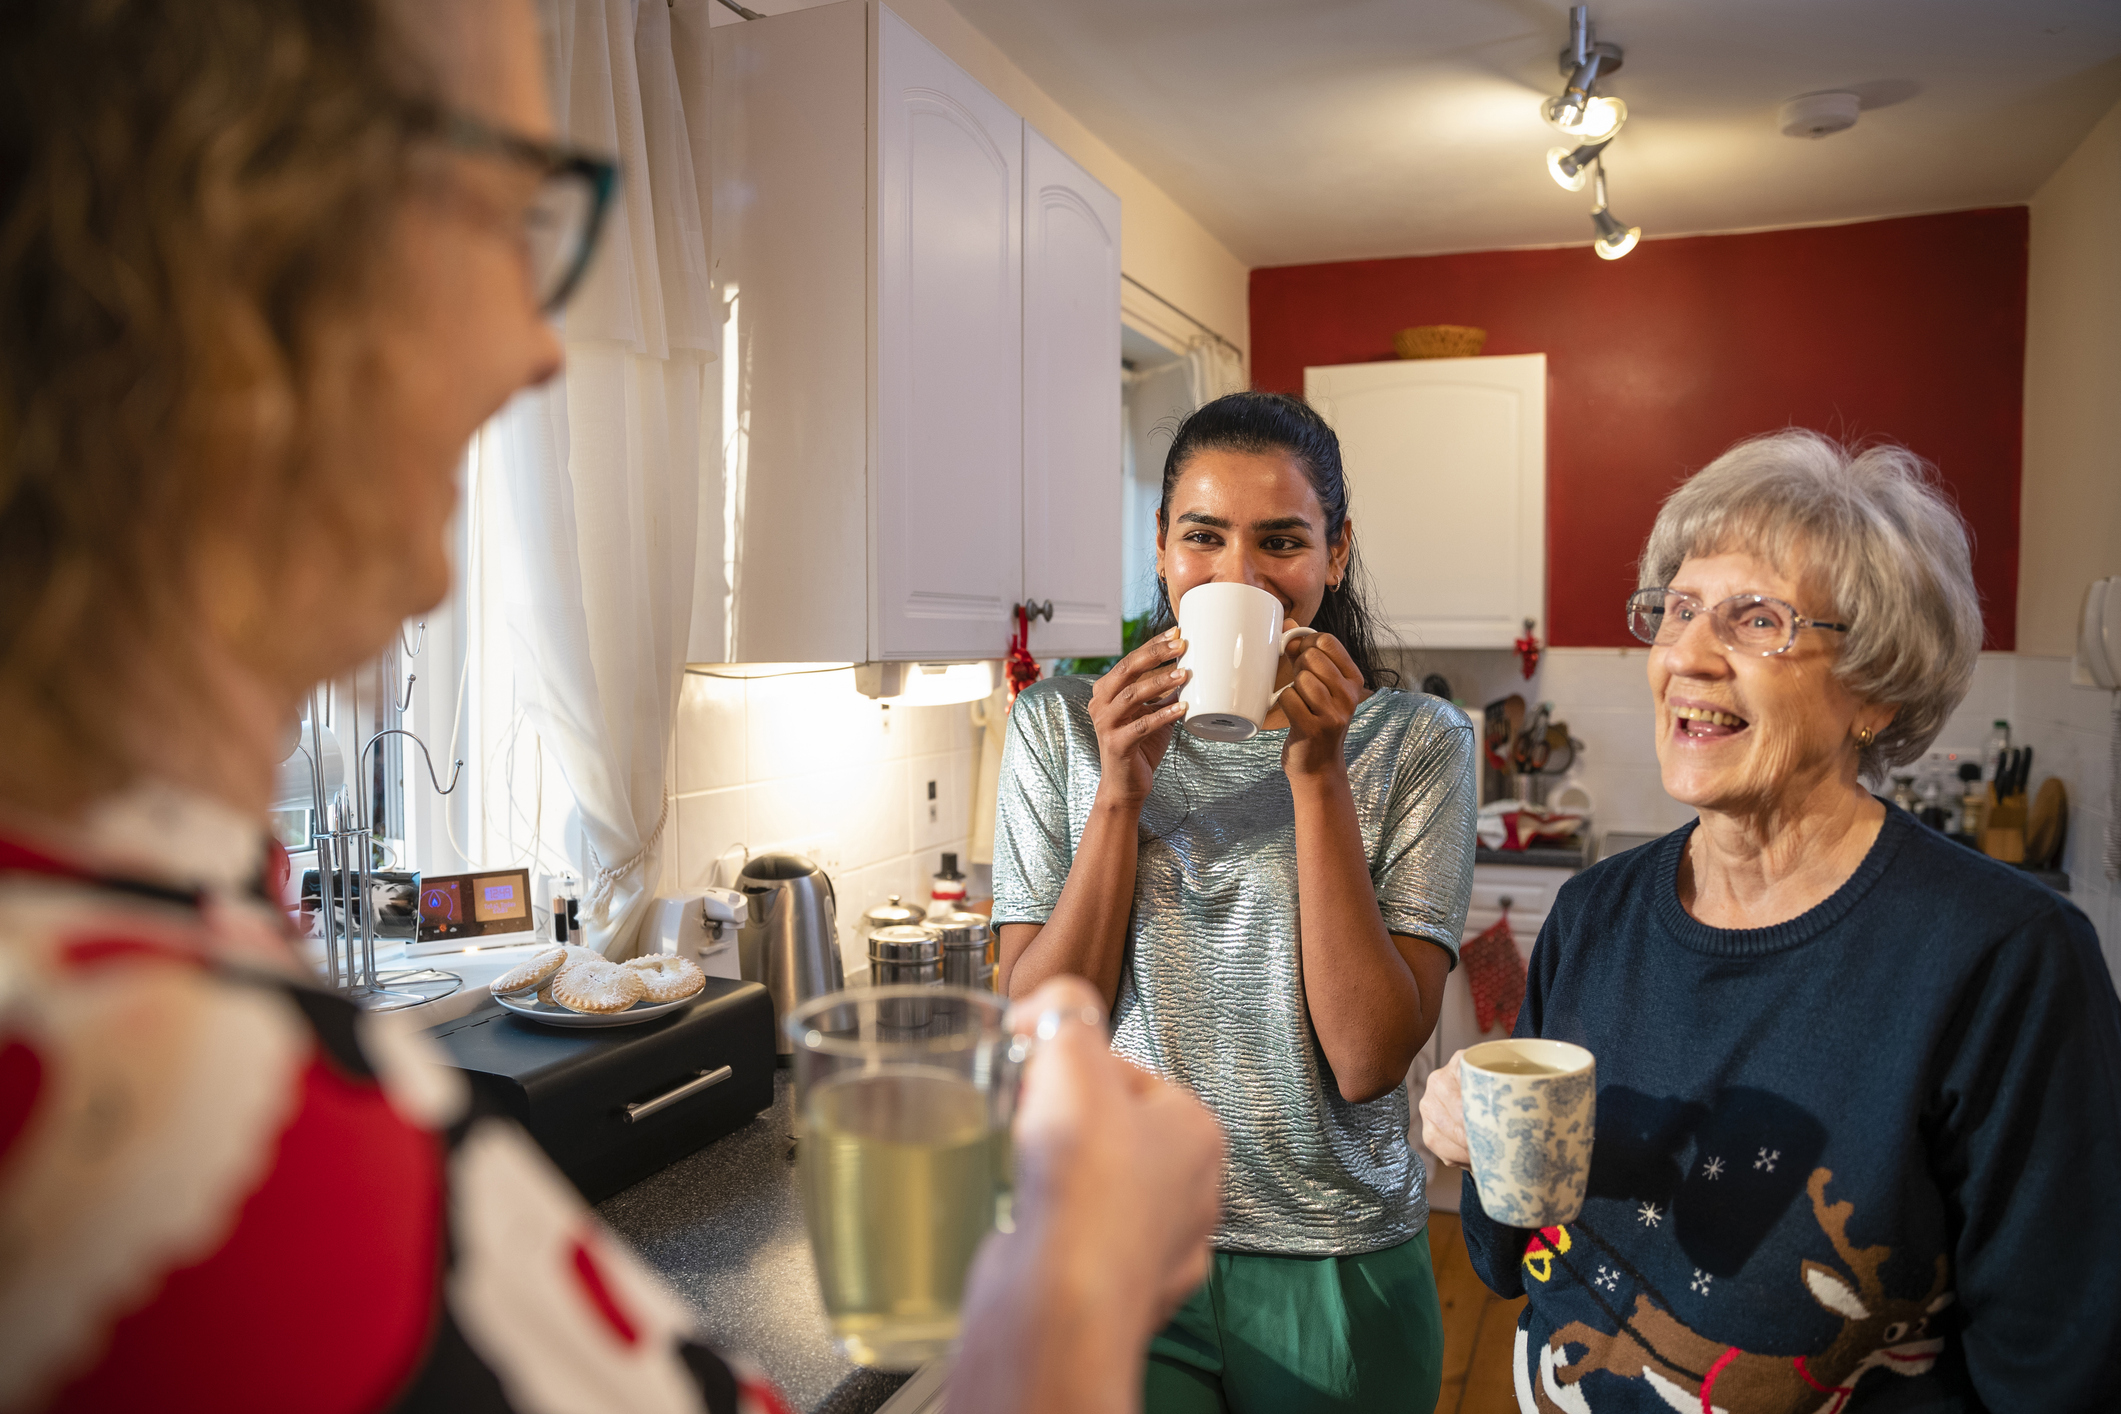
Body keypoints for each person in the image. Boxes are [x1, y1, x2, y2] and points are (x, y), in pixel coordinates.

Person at [0, 2, 1223, 1410]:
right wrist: (1073, 1298)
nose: (539, 347)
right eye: (505, 215)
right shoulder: (141, 1109)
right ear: (237, 244)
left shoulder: (182, 960)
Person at [1419, 431, 2121, 1411]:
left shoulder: (2004, 959)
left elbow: (2058, 1372)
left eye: (1756, 620)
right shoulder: (1595, 915)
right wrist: (1468, 1140)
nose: (1689, 656)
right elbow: (1511, 1259)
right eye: (1678, 611)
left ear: (1873, 689)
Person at [994, 392, 1478, 1414]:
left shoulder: (1417, 742)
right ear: (1163, 548)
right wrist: (1120, 791)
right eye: (1203, 537)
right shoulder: (1059, 726)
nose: (1239, 577)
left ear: (1335, 554)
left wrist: (1317, 772)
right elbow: (1041, 1027)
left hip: (1337, 1264)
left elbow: (1368, 1056)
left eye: (1282, 542)